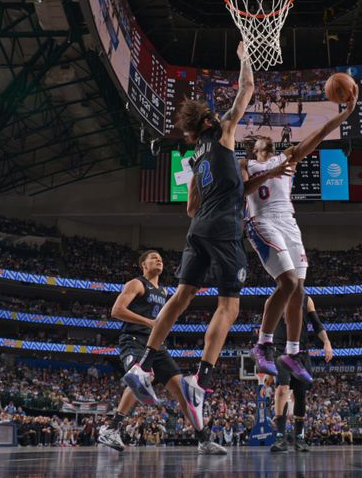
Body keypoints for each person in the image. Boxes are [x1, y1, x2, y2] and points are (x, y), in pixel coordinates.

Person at [123, 41, 253, 437]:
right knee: (229, 306)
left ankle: (144, 367)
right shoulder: (226, 130)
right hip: (224, 226)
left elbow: (190, 209)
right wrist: (245, 54)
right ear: (211, 119)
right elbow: (247, 88)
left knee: (182, 296)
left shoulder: (197, 157)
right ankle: (201, 379)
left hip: (197, 230)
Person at [245, 88, 357, 382]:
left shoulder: (289, 156)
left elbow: (319, 134)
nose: (264, 137)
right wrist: (271, 173)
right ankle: (263, 344)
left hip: (288, 222)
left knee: (299, 290)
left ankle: (292, 352)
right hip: (261, 219)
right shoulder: (245, 164)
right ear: (253, 146)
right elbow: (241, 192)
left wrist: (344, 114)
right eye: (259, 137)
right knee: (288, 281)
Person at [99, 250, 225, 455]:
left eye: (160, 258)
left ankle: (203, 439)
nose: (158, 259)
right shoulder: (136, 284)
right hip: (134, 340)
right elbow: (116, 310)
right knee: (139, 377)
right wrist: (147, 321)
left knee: (182, 389)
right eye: (153, 257)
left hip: (157, 345)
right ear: (143, 265)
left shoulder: (164, 292)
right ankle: (112, 429)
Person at [270, 296, 332, 453]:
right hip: (280, 350)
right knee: (282, 389)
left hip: (301, 352)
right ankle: (280, 436)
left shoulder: (306, 299)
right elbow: (265, 329)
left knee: (300, 394)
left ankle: (299, 437)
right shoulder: (273, 299)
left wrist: (326, 341)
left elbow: (317, 324)